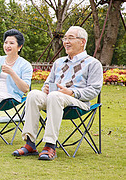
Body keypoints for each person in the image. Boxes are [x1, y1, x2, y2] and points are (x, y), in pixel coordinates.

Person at [13, 26, 103, 160]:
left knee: (56, 95)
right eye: (65, 38)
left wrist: (71, 92)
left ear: (82, 42)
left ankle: (50, 145)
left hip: (78, 103)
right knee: (33, 94)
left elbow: (94, 90)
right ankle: (30, 143)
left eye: (70, 38)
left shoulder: (93, 63)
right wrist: (46, 89)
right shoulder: (59, 62)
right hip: (54, 99)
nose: (66, 41)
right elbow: (47, 84)